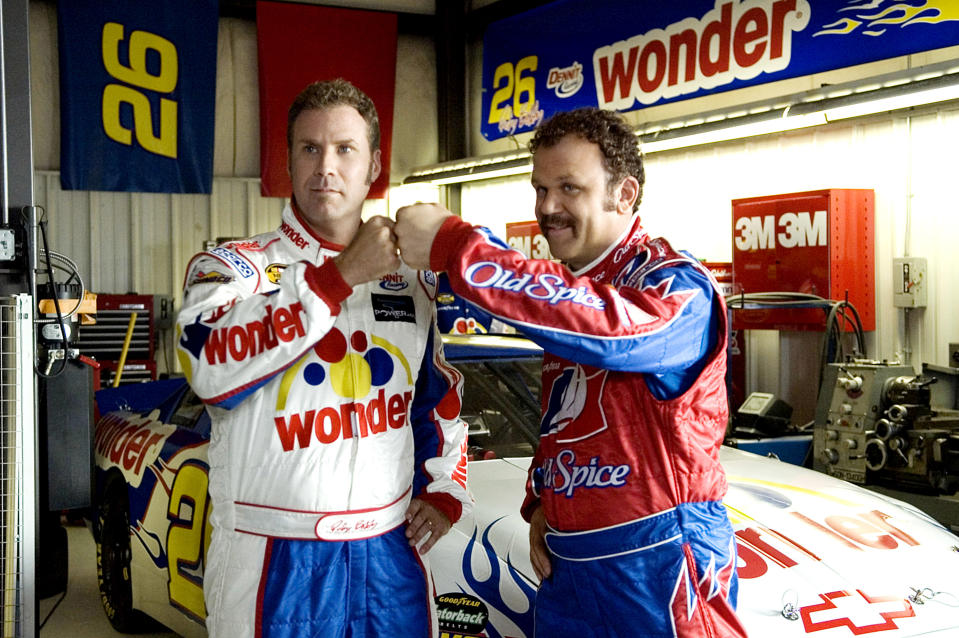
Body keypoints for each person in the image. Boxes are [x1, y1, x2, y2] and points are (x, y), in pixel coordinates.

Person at [394, 107, 748, 637]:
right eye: (540, 189)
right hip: (569, 564)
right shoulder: (572, 293)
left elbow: (616, 334)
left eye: (568, 188)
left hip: (660, 562)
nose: (547, 208)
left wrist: (456, 246)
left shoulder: (677, 285)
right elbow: (571, 420)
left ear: (624, 194)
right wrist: (546, 500)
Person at [175, 79, 470, 638]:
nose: (325, 167)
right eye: (309, 148)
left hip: (388, 555)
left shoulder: (413, 280)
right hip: (271, 557)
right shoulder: (234, 268)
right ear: (288, 159)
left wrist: (444, 489)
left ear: (374, 164)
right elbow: (209, 370)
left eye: (344, 149)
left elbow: (437, 401)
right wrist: (336, 280)